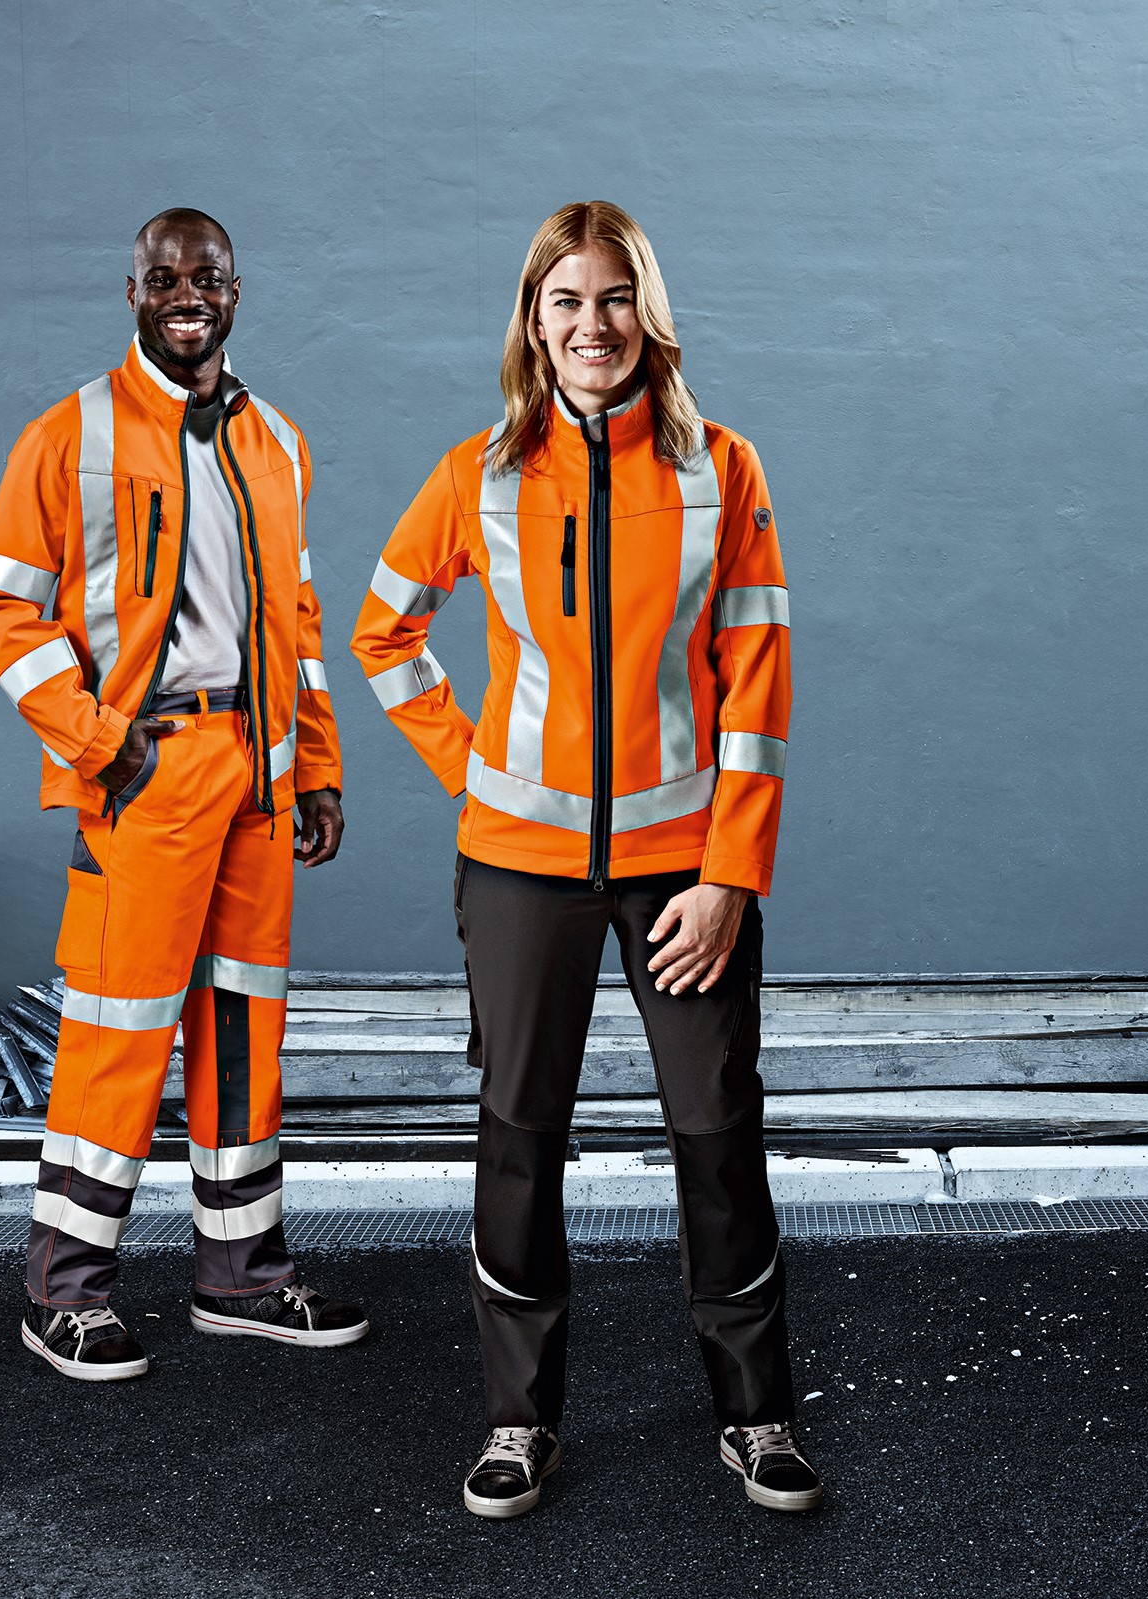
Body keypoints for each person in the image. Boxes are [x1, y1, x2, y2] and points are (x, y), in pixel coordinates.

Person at [351, 200, 819, 1516]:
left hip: (686, 869)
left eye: (614, 297)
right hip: (517, 870)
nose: (591, 323)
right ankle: (517, 1419)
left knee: (719, 1135)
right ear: (532, 321)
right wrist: (474, 767)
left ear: (647, 315)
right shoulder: (478, 474)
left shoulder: (724, 470)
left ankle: (757, 1414)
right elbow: (384, 631)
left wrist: (731, 871)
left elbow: (757, 683)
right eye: (565, 300)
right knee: (517, 1138)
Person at [0, 208, 367, 1380]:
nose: (187, 293)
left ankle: (241, 1276)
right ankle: (66, 1290)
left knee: (243, 1026)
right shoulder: (72, 435)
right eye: (164, 277)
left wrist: (320, 766)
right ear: (130, 290)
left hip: (259, 771)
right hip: (148, 775)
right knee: (117, 1025)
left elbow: (296, 625)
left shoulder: (276, 439)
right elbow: (0, 609)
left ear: (237, 290)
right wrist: (105, 747)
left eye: (208, 276)